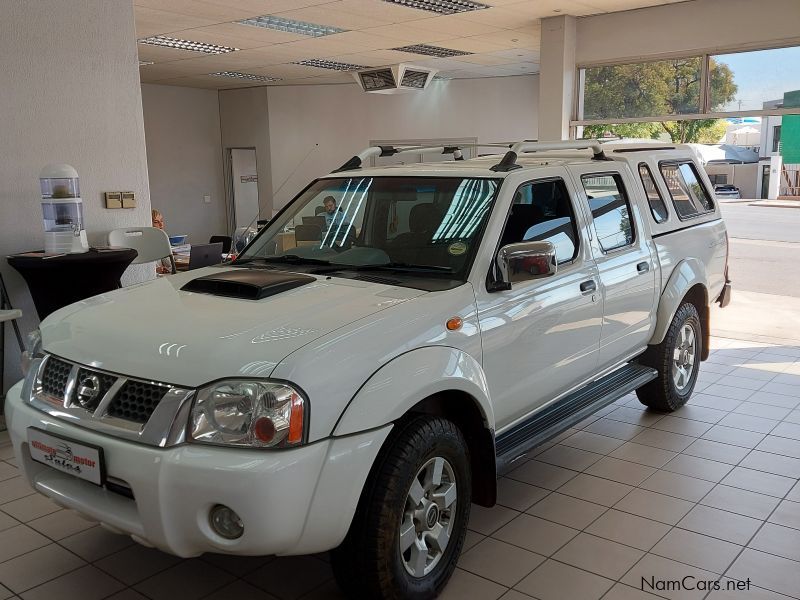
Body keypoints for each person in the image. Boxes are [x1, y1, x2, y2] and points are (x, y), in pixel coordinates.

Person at [151, 209, 172, 275]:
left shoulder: (161, 239)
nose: (161, 224)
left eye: (161, 221)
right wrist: (155, 270)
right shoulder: (145, 243)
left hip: (164, 275)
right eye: (156, 222)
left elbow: (170, 264)